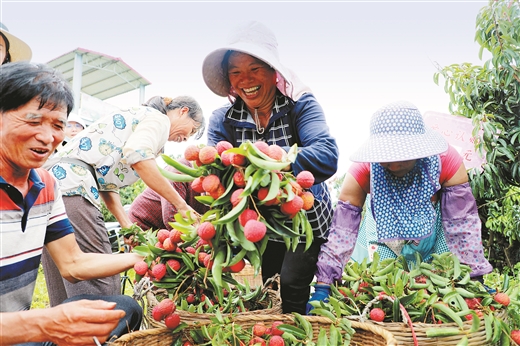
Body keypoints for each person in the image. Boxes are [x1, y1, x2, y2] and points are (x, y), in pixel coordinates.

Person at [0, 61, 143, 345]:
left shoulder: (46, 186)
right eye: (33, 120)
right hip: (17, 331)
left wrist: (144, 259)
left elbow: (73, 263)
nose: (47, 137)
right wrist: (44, 323)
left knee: (124, 309)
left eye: (57, 125)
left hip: (20, 333)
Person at [202, 21, 339, 314]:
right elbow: (214, 173)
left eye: (255, 69)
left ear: (273, 71)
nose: (245, 79)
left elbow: (327, 155)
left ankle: (299, 331)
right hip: (261, 221)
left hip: (305, 218)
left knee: (292, 286)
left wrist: (269, 161)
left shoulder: (300, 105)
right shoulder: (223, 119)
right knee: (271, 285)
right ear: (228, 79)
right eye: (235, 72)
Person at [308, 101, 493, 312]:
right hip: (384, 233)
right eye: (387, 158)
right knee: (388, 293)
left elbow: (462, 224)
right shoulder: (363, 171)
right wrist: (324, 283)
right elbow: (342, 232)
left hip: (435, 230)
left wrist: (474, 276)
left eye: (402, 156)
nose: (394, 165)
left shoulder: (446, 161)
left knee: (440, 292)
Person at [42, 93, 205, 307]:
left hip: (50, 189)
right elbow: (138, 156)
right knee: (100, 286)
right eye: (191, 130)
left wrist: (127, 226)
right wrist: (181, 205)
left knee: (64, 286)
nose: (186, 139)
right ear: (182, 111)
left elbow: (107, 184)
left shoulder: (139, 117)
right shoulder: (158, 119)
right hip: (73, 190)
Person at [128, 158, 209, 231]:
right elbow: (171, 215)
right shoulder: (180, 170)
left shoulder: (214, 200)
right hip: (143, 220)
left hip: (164, 228)